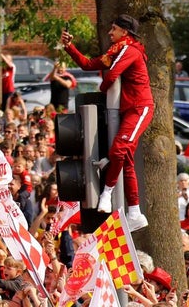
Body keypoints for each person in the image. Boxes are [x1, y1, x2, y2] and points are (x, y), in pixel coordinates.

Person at [61, 14, 152, 230]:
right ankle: (134, 212)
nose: (110, 33)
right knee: (126, 160)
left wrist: (102, 91)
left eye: (114, 29)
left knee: (119, 152)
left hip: (140, 108)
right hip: (129, 110)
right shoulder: (117, 52)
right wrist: (70, 47)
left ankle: (107, 193)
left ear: (125, 32)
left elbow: (111, 76)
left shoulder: (130, 51)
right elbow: (88, 64)